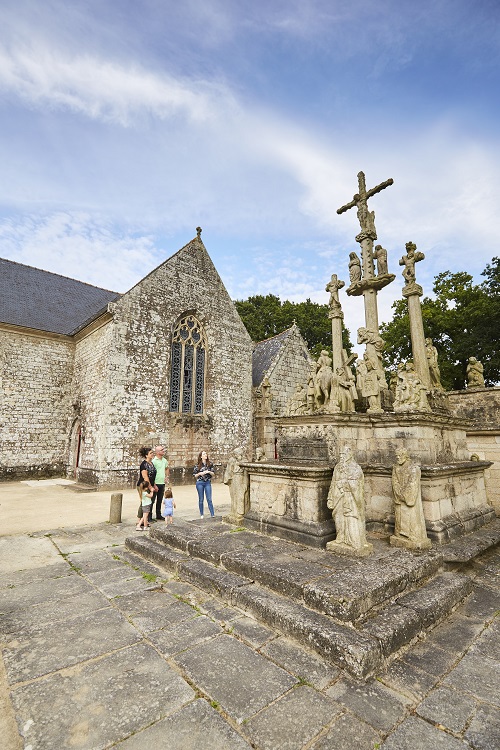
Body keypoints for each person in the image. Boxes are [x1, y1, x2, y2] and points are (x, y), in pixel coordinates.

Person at [136, 447, 157, 523]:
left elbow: (152, 476)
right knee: (144, 502)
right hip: (143, 486)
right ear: (146, 455)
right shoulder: (144, 465)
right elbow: (146, 477)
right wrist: (150, 487)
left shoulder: (151, 463)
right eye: (150, 453)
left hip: (150, 484)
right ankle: (139, 520)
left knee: (148, 502)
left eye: (152, 453)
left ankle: (145, 519)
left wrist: (154, 485)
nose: (152, 454)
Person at [193, 450, 215, 519]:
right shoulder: (197, 465)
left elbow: (213, 474)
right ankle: (201, 514)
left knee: (209, 499)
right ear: (201, 456)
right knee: (201, 499)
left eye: (206, 453)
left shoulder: (210, 464)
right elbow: (195, 475)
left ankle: (212, 513)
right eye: (204, 454)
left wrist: (209, 472)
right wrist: (200, 473)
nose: (206, 455)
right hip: (200, 482)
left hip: (207, 482)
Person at [152, 445, 170, 521]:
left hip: (162, 483)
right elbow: (152, 473)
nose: (163, 451)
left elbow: (167, 468)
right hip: (155, 483)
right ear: (157, 452)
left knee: (159, 500)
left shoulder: (164, 460)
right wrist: (153, 483)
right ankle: (149, 516)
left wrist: (166, 477)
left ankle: (158, 515)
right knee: (152, 500)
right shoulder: (154, 461)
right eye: (162, 450)